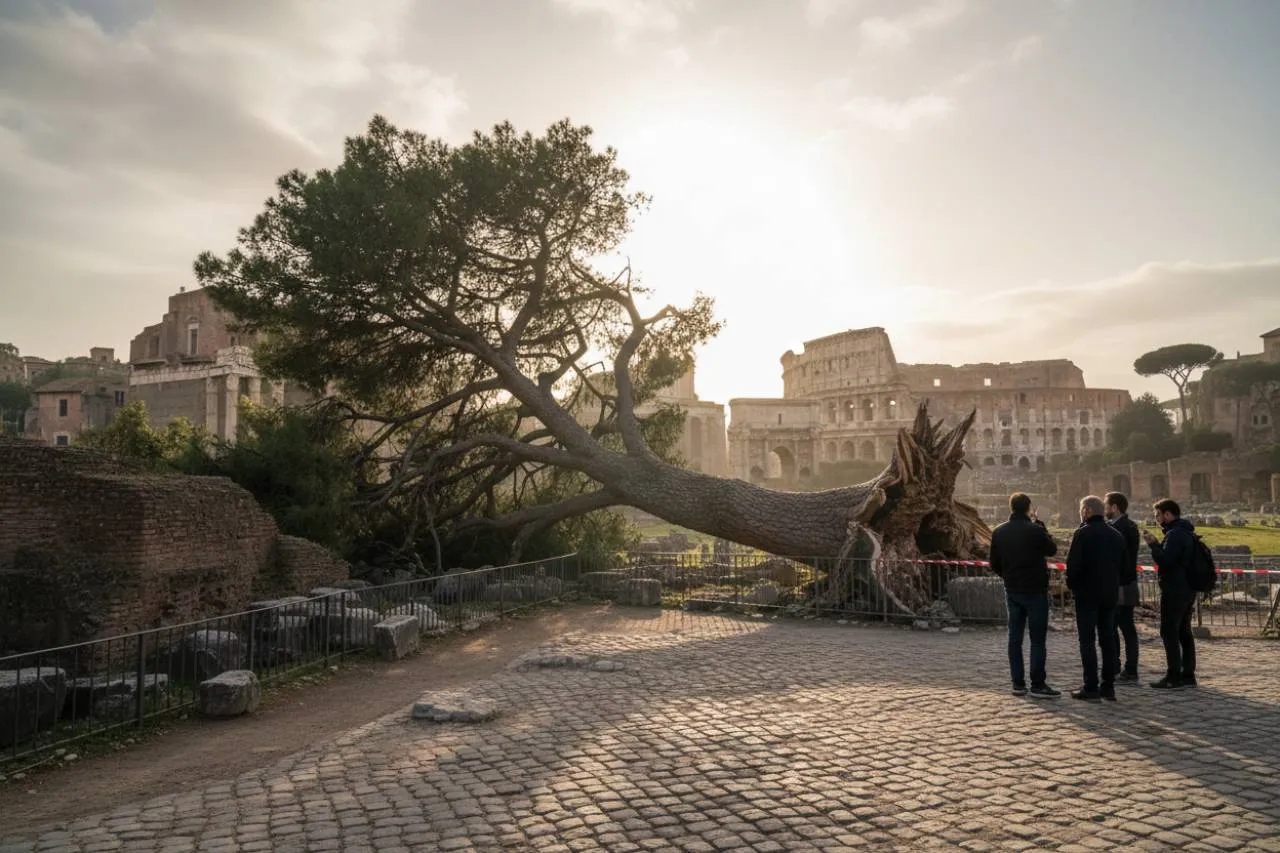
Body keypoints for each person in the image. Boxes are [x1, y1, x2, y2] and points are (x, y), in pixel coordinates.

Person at [989, 492, 1061, 698]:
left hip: (1012, 588)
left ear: (1011, 507)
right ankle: (1038, 684)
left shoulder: (999, 531)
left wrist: (1008, 576)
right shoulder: (1035, 530)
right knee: (1037, 639)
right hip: (1035, 589)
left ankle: (1017, 683)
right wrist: (1042, 526)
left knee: (1015, 638)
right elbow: (1052, 549)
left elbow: (994, 563)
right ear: (1028, 508)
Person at [1065, 495, 1125, 701]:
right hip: (1109, 594)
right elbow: (1124, 567)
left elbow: (1072, 567)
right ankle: (1108, 686)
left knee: (1087, 641)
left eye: (1082, 510)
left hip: (1087, 594)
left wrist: (1074, 587)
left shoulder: (1083, 534)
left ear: (1087, 511)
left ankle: (1090, 686)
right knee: (1108, 640)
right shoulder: (1116, 535)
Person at [1141, 499, 1198, 689]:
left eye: (1157, 515)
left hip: (1175, 589)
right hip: (1188, 588)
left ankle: (1173, 676)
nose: (1156, 519)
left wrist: (1154, 545)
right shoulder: (1187, 532)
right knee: (1184, 632)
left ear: (1167, 514)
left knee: (1169, 631)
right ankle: (1188, 675)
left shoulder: (1175, 534)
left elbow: (1166, 561)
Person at [1104, 491, 1141, 681]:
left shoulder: (1119, 529)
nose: (1104, 508)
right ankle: (1123, 666)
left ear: (1114, 507)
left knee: (1120, 627)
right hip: (1127, 581)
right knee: (1123, 627)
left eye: (1106, 505)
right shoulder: (1130, 526)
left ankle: (1125, 666)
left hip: (1120, 583)